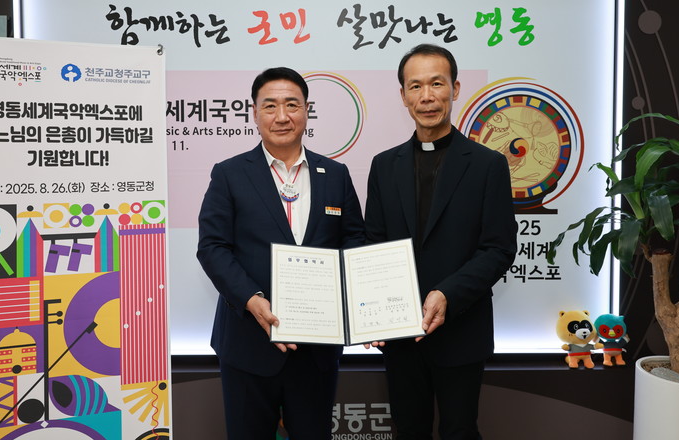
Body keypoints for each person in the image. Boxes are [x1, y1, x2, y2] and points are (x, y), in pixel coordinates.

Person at [197, 66, 365, 440]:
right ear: (254, 113)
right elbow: (212, 247)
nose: (282, 116)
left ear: (307, 110)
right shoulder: (229, 174)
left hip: (317, 347)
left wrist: (357, 302)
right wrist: (251, 299)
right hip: (248, 343)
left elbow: (354, 241)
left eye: (292, 104)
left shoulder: (335, 174)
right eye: (270, 106)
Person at [364, 44, 517, 439]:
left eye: (437, 83)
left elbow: (499, 248)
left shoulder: (487, 165)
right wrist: (371, 310)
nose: (427, 96)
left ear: (455, 88)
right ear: (403, 96)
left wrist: (448, 294)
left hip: (461, 331)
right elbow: (373, 244)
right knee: (408, 430)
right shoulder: (384, 165)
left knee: (460, 430)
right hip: (399, 333)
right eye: (415, 86)